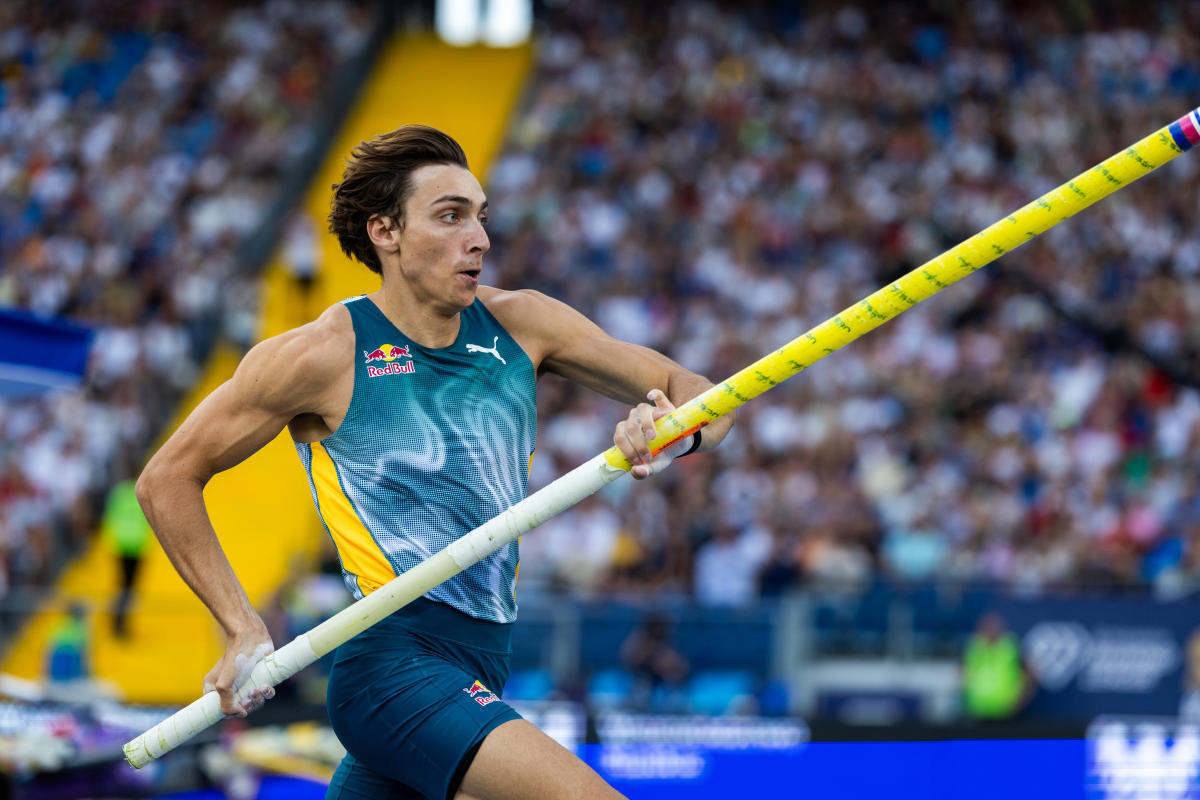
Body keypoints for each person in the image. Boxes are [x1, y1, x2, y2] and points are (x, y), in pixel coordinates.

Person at [135, 124, 733, 800]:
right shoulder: (320, 354)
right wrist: (240, 624)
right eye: (450, 216)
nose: (478, 238)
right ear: (385, 232)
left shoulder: (523, 324)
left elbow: (710, 399)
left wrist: (668, 429)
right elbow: (165, 480)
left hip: (483, 660)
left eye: (481, 216)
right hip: (392, 666)